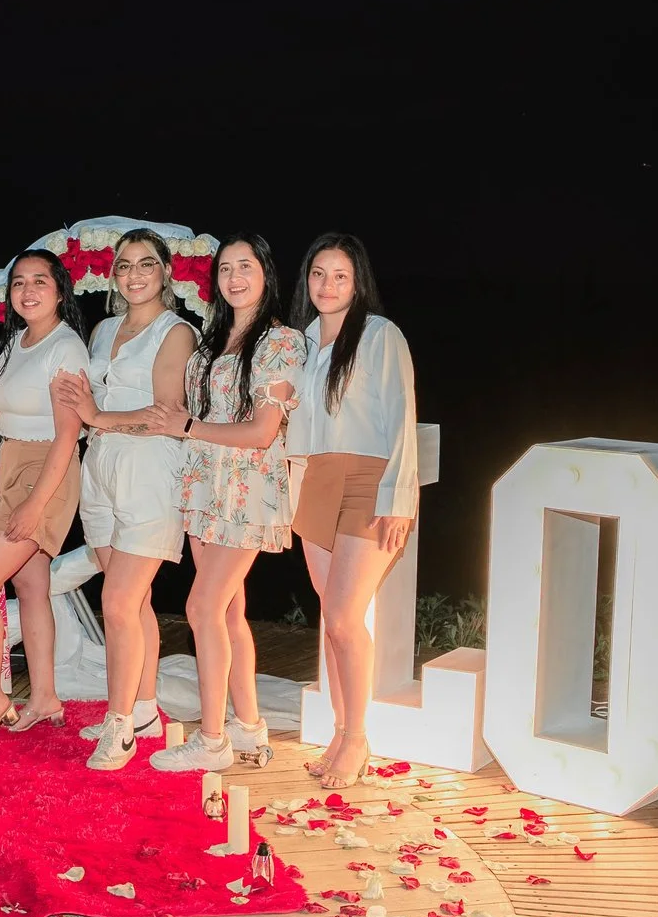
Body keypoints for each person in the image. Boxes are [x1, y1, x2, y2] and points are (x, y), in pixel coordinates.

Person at [144, 233, 306, 773]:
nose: (235, 278)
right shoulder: (213, 338)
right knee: (230, 609)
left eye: (246, 267)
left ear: (266, 274)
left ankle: (211, 741)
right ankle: (249, 727)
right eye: (226, 269)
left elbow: (263, 432)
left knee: (201, 607)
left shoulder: (281, 341)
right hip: (203, 482)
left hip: (246, 487)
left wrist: (188, 427)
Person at [51, 229, 198, 769]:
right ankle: (143, 709)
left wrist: (96, 418)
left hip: (148, 472)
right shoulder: (105, 329)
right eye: (123, 266)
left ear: (165, 273)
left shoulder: (176, 332)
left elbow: (164, 412)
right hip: (101, 471)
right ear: (112, 276)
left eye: (145, 264)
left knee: (115, 602)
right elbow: (88, 395)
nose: (133, 275)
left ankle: (119, 729)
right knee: (133, 604)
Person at [288, 233, 420, 789]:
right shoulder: (297, 343)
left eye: (340, 275)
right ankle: (340, 732)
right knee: (332, 619)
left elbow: (402, 417)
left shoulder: (380, 334)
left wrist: (399, 499)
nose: (327, 285)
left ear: (358, 280)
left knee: (345, 616)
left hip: (367, 480)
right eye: (319, 274)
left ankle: (359, 737)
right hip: (311, 479)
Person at [0, 249, 86, 741]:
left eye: (40, 282)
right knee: (31, 589)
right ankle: (46, 696)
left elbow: (67, 435)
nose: (28, 291)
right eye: (18, 284)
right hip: (10, 462)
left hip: (45, 472)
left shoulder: (65, 347)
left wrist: (35, 505)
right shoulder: (17, 343)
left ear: (59, 291)